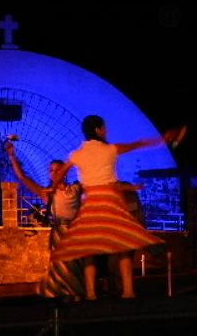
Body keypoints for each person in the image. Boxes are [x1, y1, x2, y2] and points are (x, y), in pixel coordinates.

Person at [48, 115, 182, 300]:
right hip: (111, 202)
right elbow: (137, 144)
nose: (106, 131)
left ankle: (91, 293)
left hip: (91, 204)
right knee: (123, 244)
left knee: (87, 248)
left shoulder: (76, 155)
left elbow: (58, 175)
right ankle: (128, 290)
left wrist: (53, 188)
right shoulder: (110, 149)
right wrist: (161, 140)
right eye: (104, 128)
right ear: (97, 130)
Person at [4, 141, 86, 299]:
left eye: (57, 170)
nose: (54, 173)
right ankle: (64, 294)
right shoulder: (47, 193)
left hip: (76, 231)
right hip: (60, 232)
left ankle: (77, 294)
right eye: (51, 170)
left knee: (75, 264)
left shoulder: (75, 188)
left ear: (64, 172)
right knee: (62, 266)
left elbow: (92, 178)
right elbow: (22, 177)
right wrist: (12, 155)